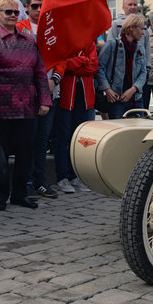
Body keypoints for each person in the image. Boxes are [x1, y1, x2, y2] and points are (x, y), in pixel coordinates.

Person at [0, 0, 51, 210]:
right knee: (0, 155)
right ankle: (0, 197)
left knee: (25, 153)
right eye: (7, 12)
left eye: (15, 12)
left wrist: (44, 100)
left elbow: (39, 72)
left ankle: (20, 194)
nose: (12, 15)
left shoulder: (29, 40)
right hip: (1, 106)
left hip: (27, 105)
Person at [17, 0, 62, 199]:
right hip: (28, 91)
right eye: (34, 6)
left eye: (42, 6)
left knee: (43, 139)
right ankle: (25, 181)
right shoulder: (20, 28)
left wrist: (55, 80)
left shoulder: (53, 28)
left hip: (50, 90)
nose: (38, 9)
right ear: (26, 7)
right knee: (27, 138)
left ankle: (40, 181)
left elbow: (62, 56)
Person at [53, 42, 98, 194]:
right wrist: (84, 60)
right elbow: (63, 65)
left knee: (79, 139)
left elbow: (93, 66)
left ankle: (75, 176)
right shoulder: (65, 41)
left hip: (85, 98)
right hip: (66, 97)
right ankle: (62, 177)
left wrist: (76, 63)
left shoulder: (89, 42)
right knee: (63, 137)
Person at [96, 14, 148, 119]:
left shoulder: (140, 48)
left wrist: (133, 89)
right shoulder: (112, 44)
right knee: (119, 132)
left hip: (136, 99)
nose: (143, 33)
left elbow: (143, 72)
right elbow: (99, 67)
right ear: (131, 28)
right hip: (116, 99)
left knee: (139, 131)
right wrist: (107, 89)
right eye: (141, 29)